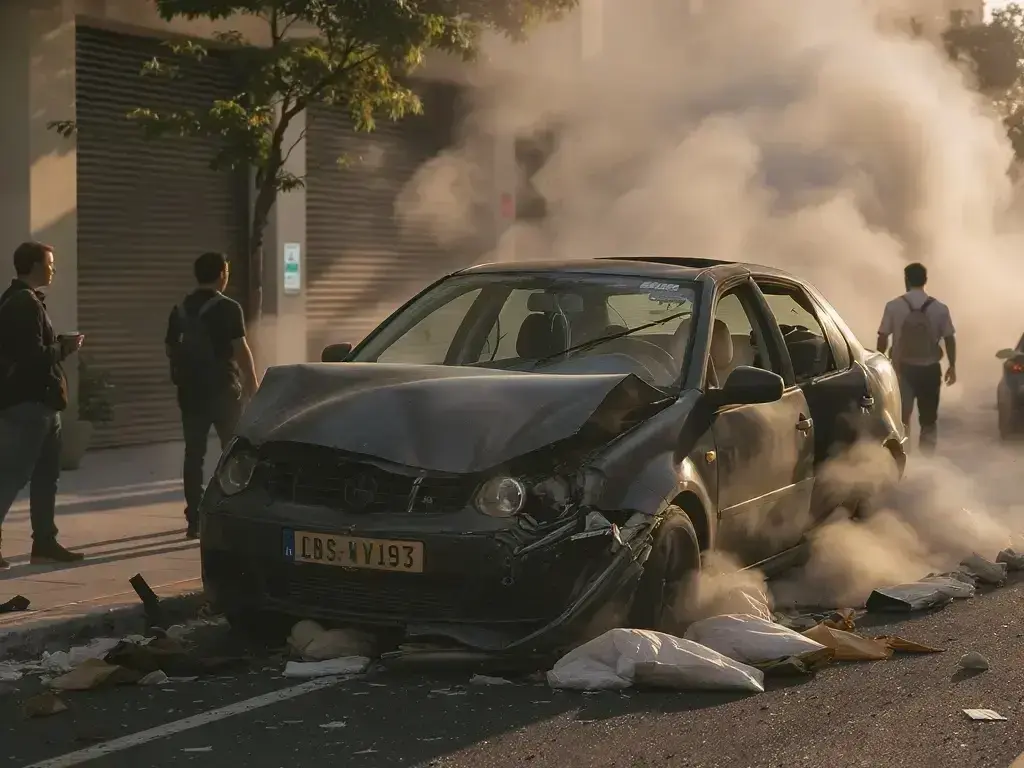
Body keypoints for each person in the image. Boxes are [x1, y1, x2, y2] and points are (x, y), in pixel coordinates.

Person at [0, 242, 86, 568]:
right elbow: (32, 357)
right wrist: (64, 347)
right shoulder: (23, 303)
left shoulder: (19, 300)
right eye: (49, 263)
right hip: (29, 404)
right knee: (12, 475)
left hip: (44, 405)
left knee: (46, 476)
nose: (53, 269)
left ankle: (45, 542)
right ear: (34, 266)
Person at [165, 252, 258, 539]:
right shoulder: (228, 308)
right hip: (223, 392)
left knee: (194, 455)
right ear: (221, 274)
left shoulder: (180, 308)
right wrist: (253, 384)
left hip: (190, 393)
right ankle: (234, 510)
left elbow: (170, 349)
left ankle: (193, 519)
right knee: (234, 451)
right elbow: (241, 350)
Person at [877, 262, 956, 454]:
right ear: (925, 280)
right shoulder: (940, 308)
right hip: (930, 370)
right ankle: (927, 459)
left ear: (906, 280)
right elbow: (949, 338)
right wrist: (952, 366)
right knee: (928, 419)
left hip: (902, 370)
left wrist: (881, 365)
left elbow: (882, 337)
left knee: (902, 418)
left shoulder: (894, 306)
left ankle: (905, 458)